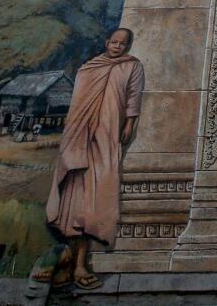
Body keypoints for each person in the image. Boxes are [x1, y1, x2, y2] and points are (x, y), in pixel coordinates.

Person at [43, 28, 145, 291]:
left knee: (96, 196)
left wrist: (129, 125)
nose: (118, 47)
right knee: (72, 196)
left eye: (123, 43)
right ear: (106, 42)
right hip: (78, 137)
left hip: (107, 135)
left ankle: (80, 263)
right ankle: (70, 261)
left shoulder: (132, 67)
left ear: (128, 46)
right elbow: (77, 103)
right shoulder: (89, 68)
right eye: (114, 42)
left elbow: (133, 96)